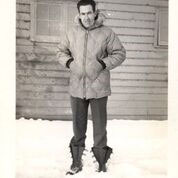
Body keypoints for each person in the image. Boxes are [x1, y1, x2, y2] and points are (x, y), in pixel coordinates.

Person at [56, 0, 126, 175]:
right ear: (78, 14)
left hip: (99, 88)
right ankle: (77, 161)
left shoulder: (107, 33)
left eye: (89, 13)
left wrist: (102, 64)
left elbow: (120, 53)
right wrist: (70, 62)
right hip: (77, 87)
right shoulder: (70, 32)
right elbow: (60, 52)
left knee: (100, 128)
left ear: (95, 12)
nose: (86, 17)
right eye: (83, 13)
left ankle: (101, 161)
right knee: (78, 127)